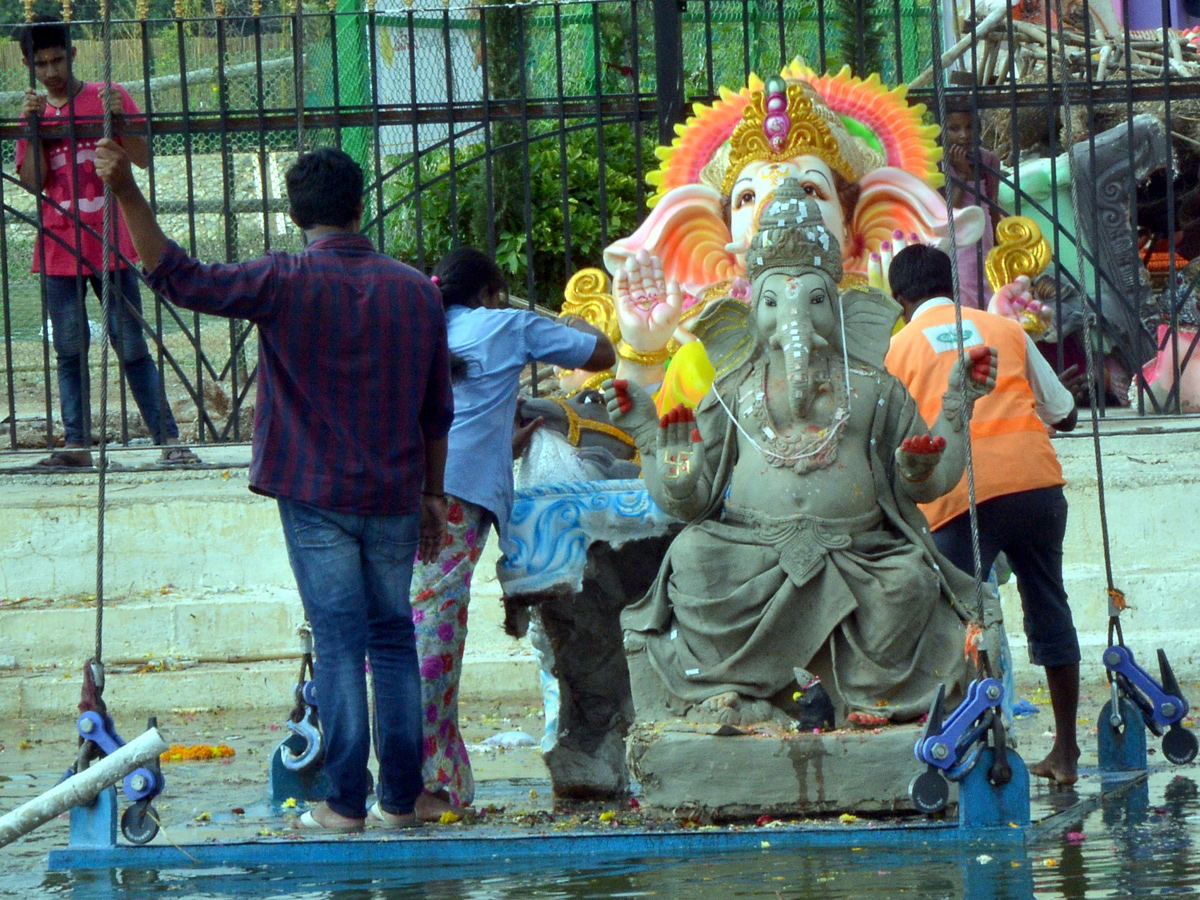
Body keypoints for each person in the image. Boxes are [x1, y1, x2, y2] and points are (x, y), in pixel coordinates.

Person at [94, 139, 453, 831]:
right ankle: (402, 800)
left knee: (342, 641)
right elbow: (438, 409)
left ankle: (347, 804)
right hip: (396, 493)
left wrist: (128, 192)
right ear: (358, 206)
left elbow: (176, 276)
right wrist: (434, 495)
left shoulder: (284, 279)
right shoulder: (415, 290)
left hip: (315, 495)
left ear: (295, 215)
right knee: (393, 638)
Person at [411, 247, 615, 818]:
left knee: (404, 629)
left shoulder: (426, 324)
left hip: (400, 491)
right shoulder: (507, 324)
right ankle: (424, 788)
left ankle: (417, 779)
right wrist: (570, 322)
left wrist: (511, 439)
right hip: (445, 502)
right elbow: (602, 354)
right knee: (433, 638)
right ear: (491, 294)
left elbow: (458, 420)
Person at [885, 244, 1082, 786]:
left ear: (898, 298)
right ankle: (1065, 754)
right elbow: (1063, 412)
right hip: (1034, 485)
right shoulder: (1005, 329)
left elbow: (891, 444)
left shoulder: (897, 350)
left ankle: (976, 748)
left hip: (956, 500)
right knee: (1050, 607)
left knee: (954, 621)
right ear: (953, 283)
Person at [15, 16, 196, 467]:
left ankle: (168, 441)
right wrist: (34, 128)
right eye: (41, 64)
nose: (52, 71)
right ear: (28, 65)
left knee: (131, 344)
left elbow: (143, 157)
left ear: (73, 55)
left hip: (111, 243)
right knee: (69, 349)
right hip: (59, 248)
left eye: (58, 60)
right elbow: (34, 182)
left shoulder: (106, 97)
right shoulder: (34, 112)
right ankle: (76, 444)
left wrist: (124, 117)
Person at [940, 96, 1003, 311]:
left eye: (969, 127)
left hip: (984, 241)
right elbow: (948, 215)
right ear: (942, 131)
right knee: (965, 294)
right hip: (958, 244)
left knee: (990, 294)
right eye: (954, 129)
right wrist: (963, 176)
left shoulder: (988, 161)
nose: (964, 135)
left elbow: (992, 206)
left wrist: (998, 247)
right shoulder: (938, 164)